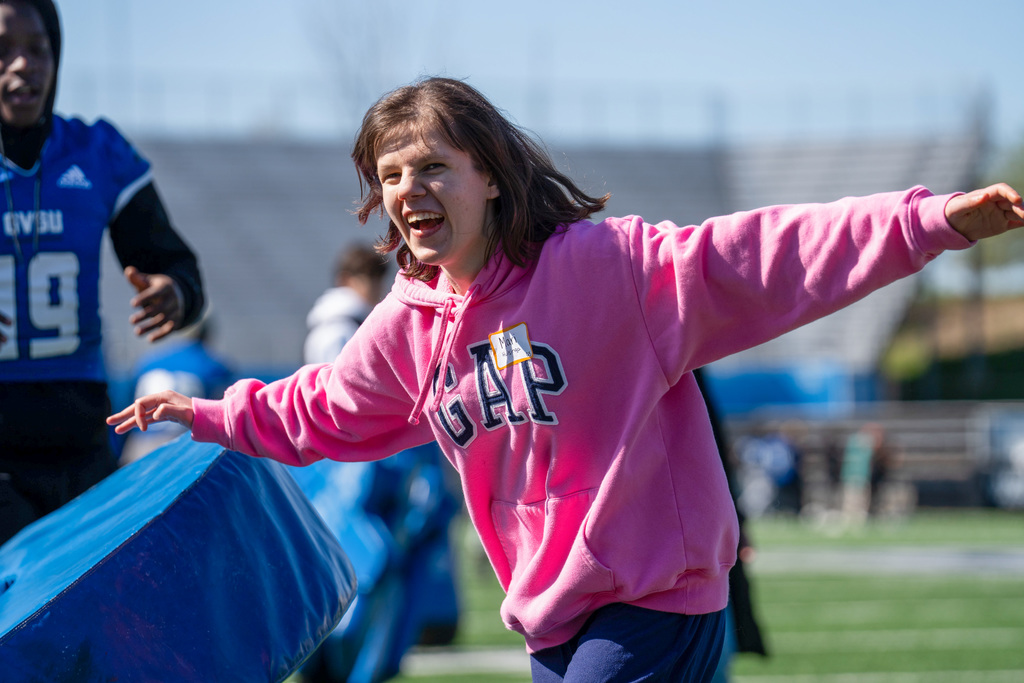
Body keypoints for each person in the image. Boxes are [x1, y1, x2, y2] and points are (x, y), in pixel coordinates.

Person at [109, 76, 1024, 682]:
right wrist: (204, 410)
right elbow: (324, 409)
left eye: (433, 165)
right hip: (551, 615)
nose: (408, 187)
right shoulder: (409, 324)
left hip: (652, 600)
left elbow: (766, 257)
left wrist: (931, 220)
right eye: (391, 173)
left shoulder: (604, 268)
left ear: (491, 179)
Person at [0, 0, 204, 546]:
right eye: (3, 50)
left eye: (38, 50)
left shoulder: (95, 153)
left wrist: (174, 294)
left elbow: (179, 267)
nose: (23, 65)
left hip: (80, 439)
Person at [119, 316, 231, 465]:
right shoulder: (214, 366)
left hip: (141, 446)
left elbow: (125, 411)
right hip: (184, 448)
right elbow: (223, 421)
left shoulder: (147, 362)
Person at [304, 243, 389, 365]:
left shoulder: (350, 321)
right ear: (346, 279)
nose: (378, 286)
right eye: (370, 277)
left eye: (379, 278)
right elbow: (336, 381)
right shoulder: (340, 328)